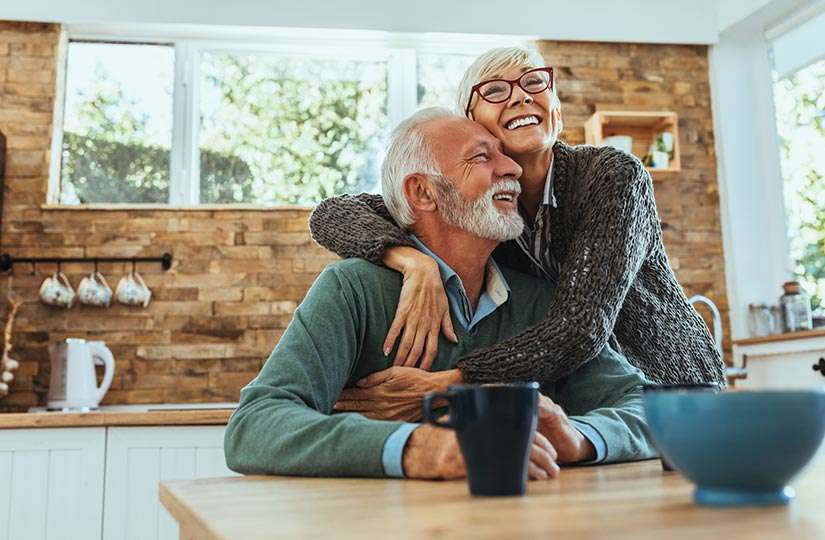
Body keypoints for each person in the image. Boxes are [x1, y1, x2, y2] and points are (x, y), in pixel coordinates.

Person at [224, 108, 657, 480]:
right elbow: (255, 425)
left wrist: (578, 438)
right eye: (482, 157)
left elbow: (648, 409)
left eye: (504, 155)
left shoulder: (540, 301)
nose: (513, 169)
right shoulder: (353, 289)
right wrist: (420, 447)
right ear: (422, 192)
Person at [308, 47, 725, 413]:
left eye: (533, 82)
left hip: (670, 387)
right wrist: (412, 261)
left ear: (555, 108)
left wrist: (449, 383)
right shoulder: (479, 207)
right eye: (495, 90)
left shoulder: (612, 176)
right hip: (584, 400)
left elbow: (580, 328)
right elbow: (332, 214)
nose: (521, 95)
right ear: (471, 122)